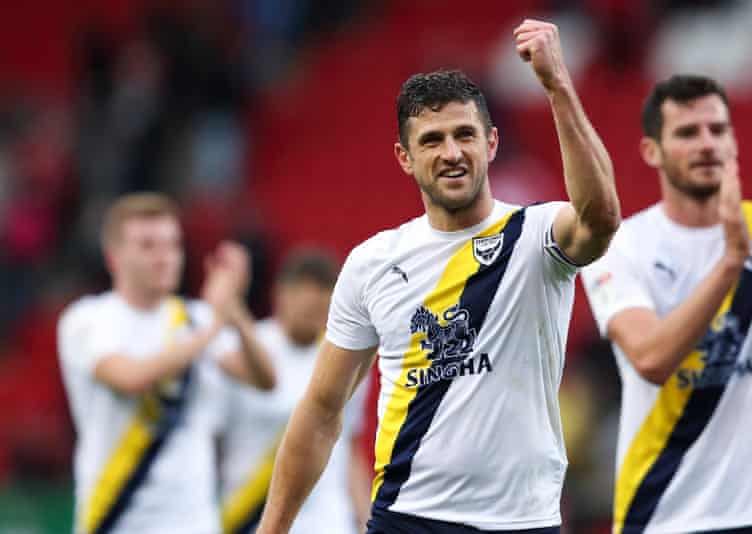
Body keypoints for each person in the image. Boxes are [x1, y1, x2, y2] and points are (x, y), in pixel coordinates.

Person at [257, 18, 621, 534]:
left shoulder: (537, 234)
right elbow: (320, 411)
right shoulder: (373, 262)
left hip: (521, 521)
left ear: (491, 143)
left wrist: (557, 86)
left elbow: (601, 219)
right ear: (405, 158)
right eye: (431, 140)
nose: (451, 153)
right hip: (408, 518)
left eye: (464, 135)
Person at [580, 74, 752, 534]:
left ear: (734, 141)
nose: (707, 143)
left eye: (717, 130)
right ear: (652, 151)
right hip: (663, 512)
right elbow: (651, 359)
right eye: (687, 133)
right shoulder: (624, 245)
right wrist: (733, 261)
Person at [57, 192, 276, 534]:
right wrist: (216, 323)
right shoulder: (88, 319)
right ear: (113, 257)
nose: (165, 257)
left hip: (192, 521)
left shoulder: (196, 317)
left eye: (173, 245)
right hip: (114, 516)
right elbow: (130, 378)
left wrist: (234, 309)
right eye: (148, 246)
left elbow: (264, 379)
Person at [219, 250, 371, 534]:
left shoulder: (346, 359)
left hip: (327, 522)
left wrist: (365, 520)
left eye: (322, 305)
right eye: (306, 303)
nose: (314, 314)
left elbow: (349, 448)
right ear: (280, 295)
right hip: (250, 516)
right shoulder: (246, 347)